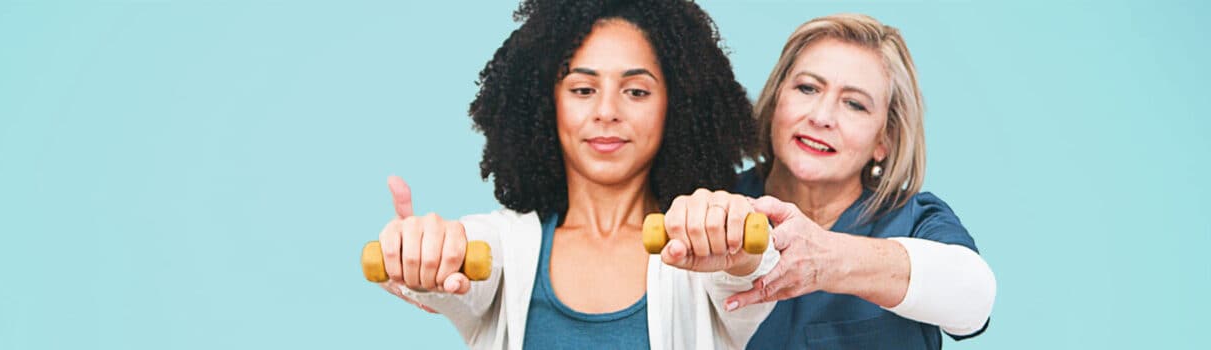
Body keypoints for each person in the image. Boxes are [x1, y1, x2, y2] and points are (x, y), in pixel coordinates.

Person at [370, 0, 779, 348]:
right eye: (583, 90)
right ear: (547, 104)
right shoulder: (501, 247)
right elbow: (458, 263)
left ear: (678, 106)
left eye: (636, 91)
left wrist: (734, 236)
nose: (606, 111)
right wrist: (424, 251)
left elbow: (752, 270)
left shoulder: (708, 250)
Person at [712, 13, 996, 348]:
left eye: (854, 105)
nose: (821, 117)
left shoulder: (913, 220)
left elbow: (973, 301)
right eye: (807, 88)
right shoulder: (716, 201)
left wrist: (826, 260)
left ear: (884, 140)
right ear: (776, 100)